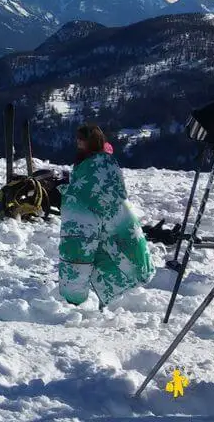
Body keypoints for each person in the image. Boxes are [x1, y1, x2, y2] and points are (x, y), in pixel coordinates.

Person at [59, 124, 154, 309]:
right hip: (132, 254)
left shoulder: (84, 188)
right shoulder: (108, 167)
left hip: (113, 269)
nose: (78, 142)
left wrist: (73, 298)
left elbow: (77, 246)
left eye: (82, 139)